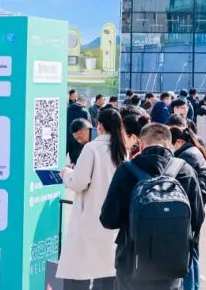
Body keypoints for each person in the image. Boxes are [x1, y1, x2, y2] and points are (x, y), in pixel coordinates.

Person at [99, 123, 206, 290]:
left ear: (141, 145)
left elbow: (108, 219)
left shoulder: (126, 170)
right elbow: (198, 218)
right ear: (170, 145)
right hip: (172, 264)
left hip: (131, 264)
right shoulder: (185, 170)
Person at [57, 108, 128, 290]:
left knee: (80, 269)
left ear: (100, 125)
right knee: (107, 270)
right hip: (113, 218)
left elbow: (79, 182)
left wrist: (67, 174)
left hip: (90, 216)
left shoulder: (92, 148)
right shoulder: (122, 149)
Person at [168, 117, 206, 290]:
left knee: (187, 255)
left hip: (191, 208)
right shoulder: (192, 150)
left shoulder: (187, 156)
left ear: (178, 142)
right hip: (196, 206)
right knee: (191, 252)